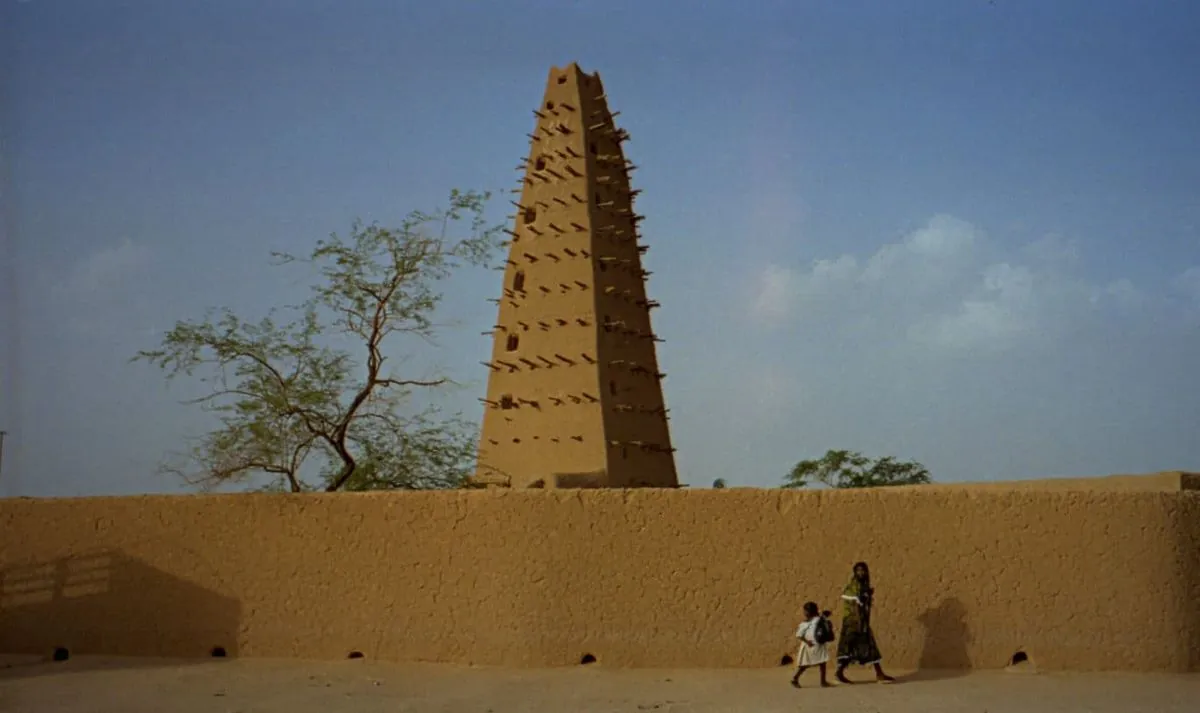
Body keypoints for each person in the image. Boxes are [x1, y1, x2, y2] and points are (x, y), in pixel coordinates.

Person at [835, 561, 895, 684]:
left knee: (868, 647)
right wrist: (861, 598)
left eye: (863, 570)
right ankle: (840, 672)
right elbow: (850, 598)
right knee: (851, 648)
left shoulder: (863, 586)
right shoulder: (853, 586)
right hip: (853, 623)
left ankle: (879, 673)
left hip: (862, 622)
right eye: (858, 570)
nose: (861, 573)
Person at [789, 601, 832, 688]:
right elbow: (799, 635)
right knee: (808, 664)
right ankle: (795, 679)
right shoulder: (808, 622)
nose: (805, 613)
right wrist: (807, 642)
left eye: (806, 611)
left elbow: (799, 635)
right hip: (811, 645)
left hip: (816, 645)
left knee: (820, 663)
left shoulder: (813, 620)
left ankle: (822, 681)